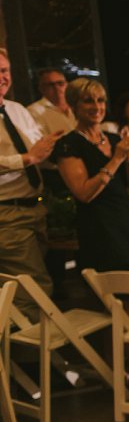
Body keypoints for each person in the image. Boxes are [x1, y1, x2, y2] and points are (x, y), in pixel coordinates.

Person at [51, 78, 129, 398]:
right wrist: (115, 158)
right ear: (74, 106)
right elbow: (83, 193)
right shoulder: (69, 145)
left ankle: (115, 373)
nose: (97, 108)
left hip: (126, 226)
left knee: (116, 308)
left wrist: (126, 155)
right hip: (101, 232)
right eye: (89, 102)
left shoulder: (114, 138)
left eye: (101, 101)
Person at [0, 48, 64, 316]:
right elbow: (31, 156)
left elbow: (40, 152)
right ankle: (33, 345)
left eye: (4, 70)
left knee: (22, 292)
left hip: (35, 208)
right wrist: (27, 158)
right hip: (7, 214)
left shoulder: (16, 110)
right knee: (34, 291)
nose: (2, 77)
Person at [27, 68, 76, 137]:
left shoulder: (77, 105)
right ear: (41, 88)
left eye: (60, 83)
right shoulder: (34, 111)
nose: (57, 87)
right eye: (51, 85)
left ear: (67, 84)